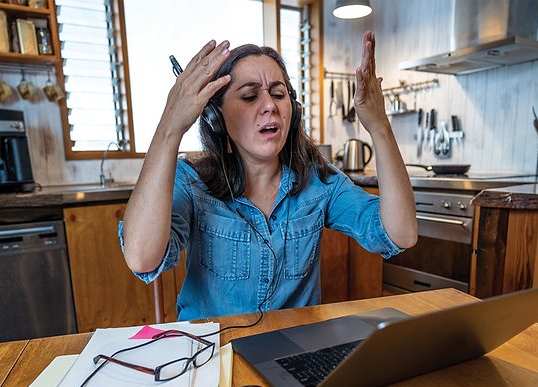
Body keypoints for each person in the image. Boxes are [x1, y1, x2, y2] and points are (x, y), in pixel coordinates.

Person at [121, 31, 417, 321]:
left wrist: (379, 126)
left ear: (294, 111)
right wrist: (170, 127)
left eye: (278, 94)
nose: (270, 106)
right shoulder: (191, 182)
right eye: (249, 96)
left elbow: (400, 234)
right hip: (212, 347)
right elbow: (142, 258)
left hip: (292, 344)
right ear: (216, 118)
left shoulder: (319, 182)